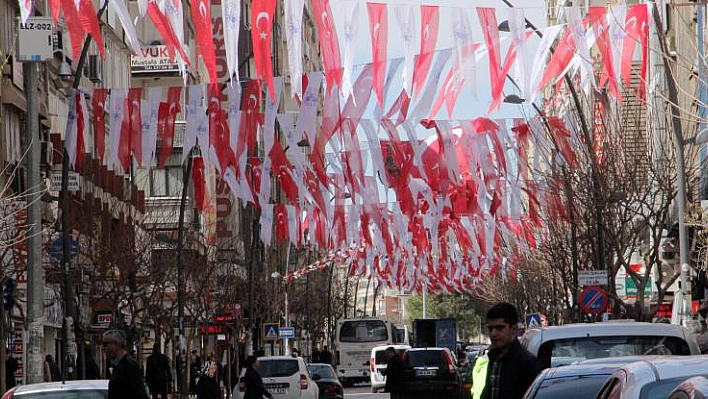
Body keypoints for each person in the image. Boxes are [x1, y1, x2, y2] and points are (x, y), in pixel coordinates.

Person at [479, 302, 543, 399]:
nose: (493, 333)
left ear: (514, 329)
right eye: (490, 328)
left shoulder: (528, 363)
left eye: (499, 328)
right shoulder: (494, 358)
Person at [102, 329, 148, 399]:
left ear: (116, 344)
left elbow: (140, 394)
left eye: (105, 344)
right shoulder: (117, 366)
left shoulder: (129, 365)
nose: (104, 348)